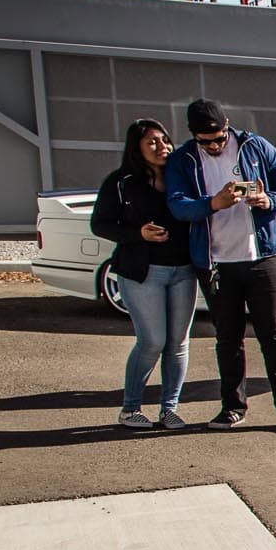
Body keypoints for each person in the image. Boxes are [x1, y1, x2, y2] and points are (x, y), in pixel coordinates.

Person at [165, 99, 276, 434]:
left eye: (219, 138)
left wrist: (268, 200)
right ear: (193, 135)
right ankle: (232, 407)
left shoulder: (254, 146)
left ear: (227, 125)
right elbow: (177, 206)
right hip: (216, 262)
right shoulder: (183, 159)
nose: (214, 146)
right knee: (228, 338)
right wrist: (213, 203)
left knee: (274, 335)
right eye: (206, 142)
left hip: (263, 257)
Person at [90, 117, 194, 426]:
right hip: (142, 272)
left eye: (165, 140)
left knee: (178, 343)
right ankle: (130, 408)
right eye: (152, 142)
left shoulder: (182, 177)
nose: (162, 146)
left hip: (184, 270)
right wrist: (138, 233)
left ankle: (169, 408)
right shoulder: (121, 182)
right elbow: (100, 225)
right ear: (136, 148)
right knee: (152, 341)